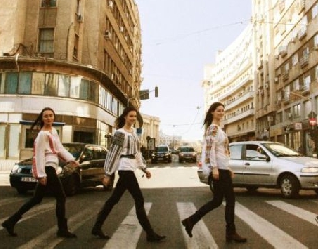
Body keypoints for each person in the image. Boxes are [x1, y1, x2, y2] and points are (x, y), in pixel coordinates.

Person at [91, 106, 165, 242]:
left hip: (130, 168)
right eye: (131, 116)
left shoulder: (134, 133)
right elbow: (113, 153)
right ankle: (150, 233)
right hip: (124, 168)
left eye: (135, 116)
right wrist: (108, 173)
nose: (133, 118)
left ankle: (97, 226)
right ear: (125, 117)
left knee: (113, 200)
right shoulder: (119, 133)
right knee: (139, 199)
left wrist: (144, 168)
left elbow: (137, 153)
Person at [2, 107, 78, 238]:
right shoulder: (42, 134)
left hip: (51, 167)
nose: (49, 118)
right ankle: (62, 229)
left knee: (36, 199)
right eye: (46, 116)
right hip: (47, 168)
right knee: (61, 197)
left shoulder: (53, 131)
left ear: (54, 117)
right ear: (42, 118)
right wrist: (41, 175)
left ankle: (10, 221)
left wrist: (71, 159)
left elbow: (59, 149)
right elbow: (38, 155)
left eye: (51, 115)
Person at [181, 102, 247, 243]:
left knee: (217, 201)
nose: (221, 113)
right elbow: (210, 149)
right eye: (218, 110)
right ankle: (230, 232)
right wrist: (215, 168)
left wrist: (227, 168)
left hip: (223, 169)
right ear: (212, 112)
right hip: (218, 171)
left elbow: (221, 152)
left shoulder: (219, 129)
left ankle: (191, 221)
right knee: (229, 200)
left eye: (223, 110)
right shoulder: (213, 129)